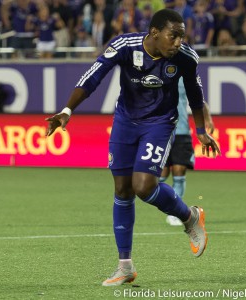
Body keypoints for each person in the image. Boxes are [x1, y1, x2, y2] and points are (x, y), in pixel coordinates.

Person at [45, 8, 221, 287]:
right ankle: (125, 266)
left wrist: (200, 131)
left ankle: (190, 217)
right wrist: (67, 110)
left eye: (181, 37)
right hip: (126, 121)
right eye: (173, 36)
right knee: (122, 189)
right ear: (154, 33)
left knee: (143, 186)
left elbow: (196, 94)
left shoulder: (185, 58)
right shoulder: (125, 46)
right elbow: (93, 76)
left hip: (160, 123)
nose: (178, 43)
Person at [160, 78, 215, 226]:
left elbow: (198, 99)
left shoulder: (185, 77)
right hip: (160, 131)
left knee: (179, 169)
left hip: (182, 131)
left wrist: (208, 118)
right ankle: (157, 199)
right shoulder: (157, 72)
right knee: (161, 174)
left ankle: (174, 212)